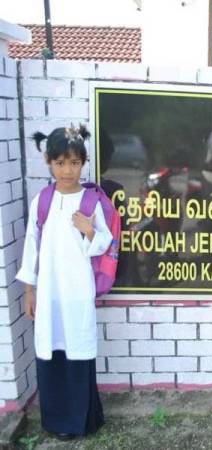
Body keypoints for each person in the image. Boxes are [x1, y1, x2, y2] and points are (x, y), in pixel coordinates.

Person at [16, 125, 112, 439]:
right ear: (48, 162)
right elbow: (32, 245)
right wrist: (30, 290)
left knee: (78, 348)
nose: (67, 170)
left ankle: (82, 421)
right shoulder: (42, 200)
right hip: (49, 294)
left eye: (73, 162)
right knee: (51, 348)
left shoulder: (91, 200)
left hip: (78, 291)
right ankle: (56, 422)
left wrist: (88, 229)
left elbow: (107, 243)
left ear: (83, 162)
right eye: (60, 162)